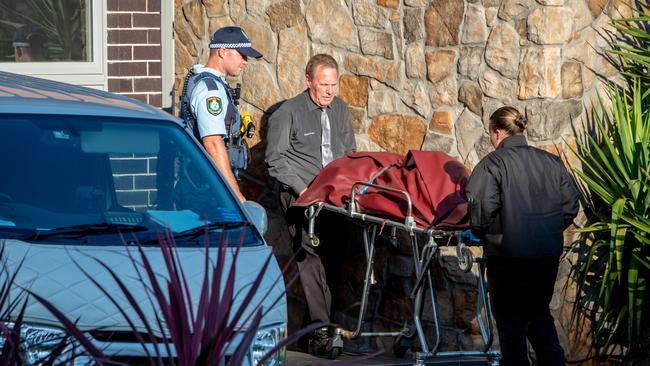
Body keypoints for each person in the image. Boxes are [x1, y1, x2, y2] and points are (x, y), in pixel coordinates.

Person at [465, 106, 580, 366]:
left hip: (508, 257)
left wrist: (487, 233)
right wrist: (546, 229)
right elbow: (571, 205)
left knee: (512, 325)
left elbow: (480, 212)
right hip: (546, 255)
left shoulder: (492, 163)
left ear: (496, 133)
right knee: (539, 317)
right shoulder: (551, 161)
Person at [265, 53, 356, 355]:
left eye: (334, 84)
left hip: (335, 201)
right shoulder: (288, 113)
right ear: (308, 82)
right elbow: (274, 160)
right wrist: (304, 191)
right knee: (311, 260)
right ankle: (320, 334)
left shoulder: (341, 110)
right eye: (324, 84)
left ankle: (308, 333)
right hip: (302, 199)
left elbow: (348, 153)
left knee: (331, 264)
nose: (330, 91)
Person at [179, 26, 262, 202]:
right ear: (223, 52)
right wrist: (236, 196)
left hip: (205, 182)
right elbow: (213, 143)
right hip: (207, 188)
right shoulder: (211, 90)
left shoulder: (210, 83)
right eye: (241, 54)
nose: (245, 61)